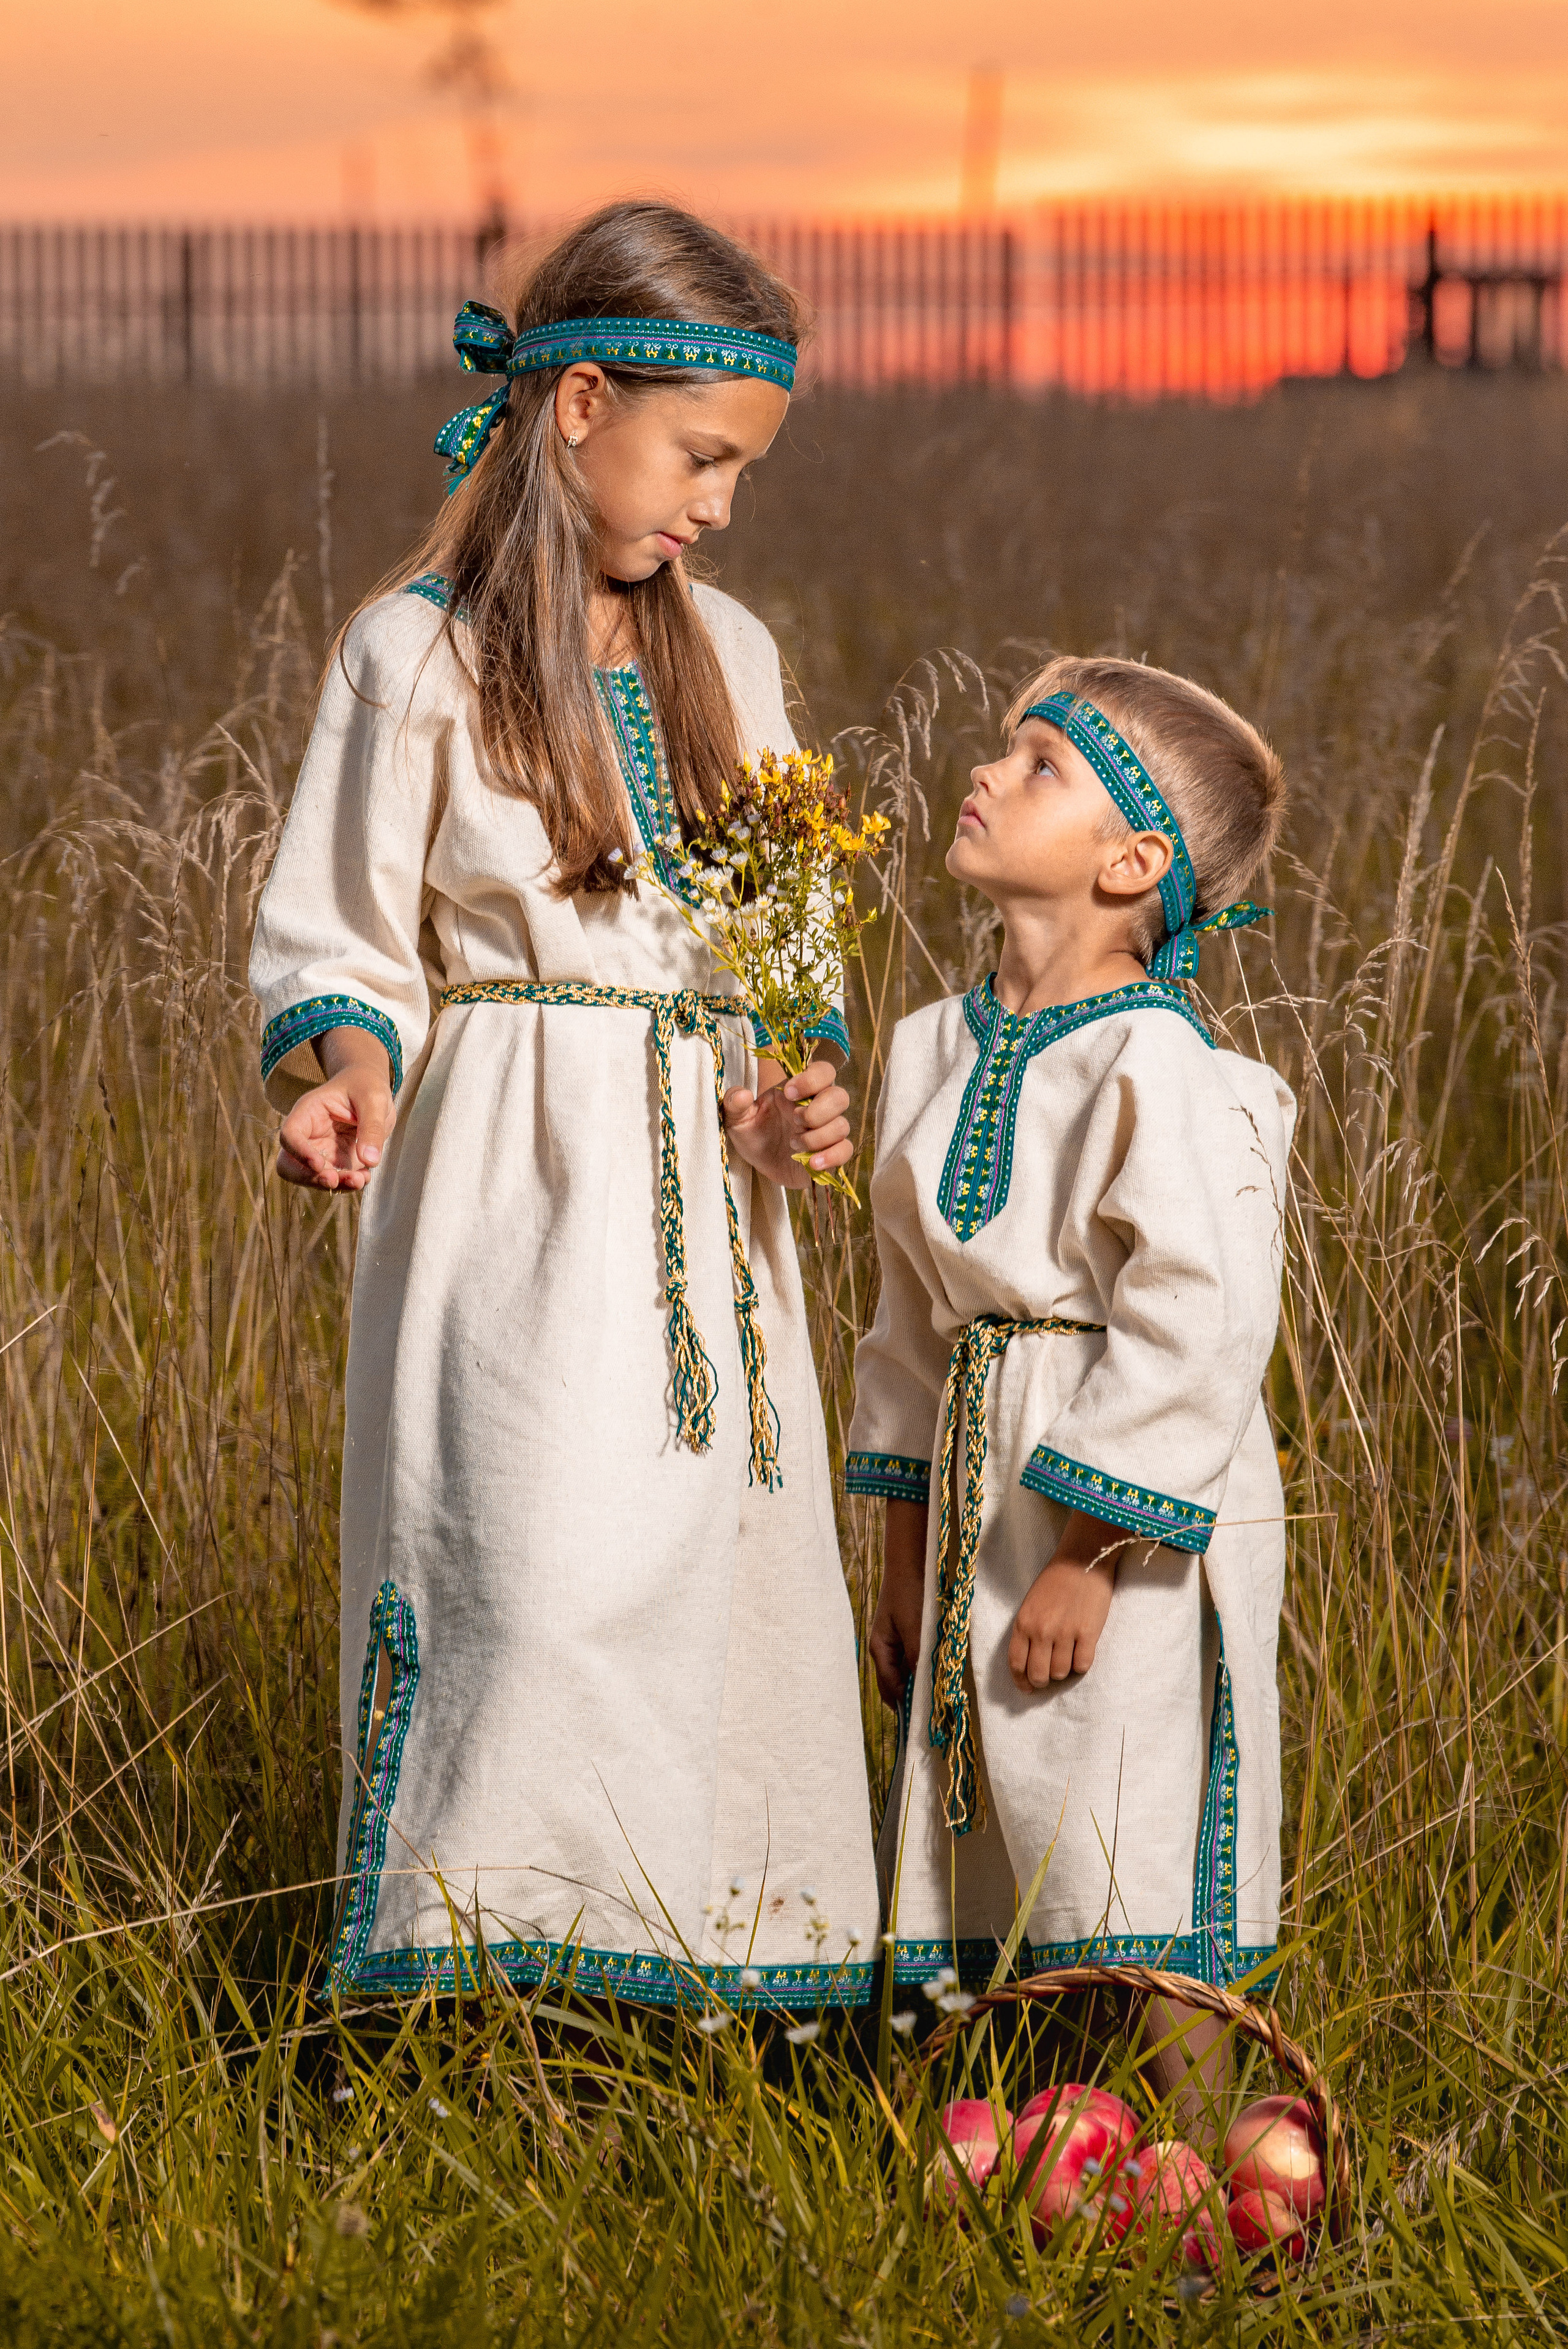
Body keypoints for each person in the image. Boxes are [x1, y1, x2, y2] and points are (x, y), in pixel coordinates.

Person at [251, 200, 878, 2010]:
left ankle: (696, 1994)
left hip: (702, 1196)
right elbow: (344, 928)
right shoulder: (416, 654)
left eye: (744, 468)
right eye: (703, 455)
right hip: (513, 1199)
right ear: (581, 401)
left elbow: (778, 940)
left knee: (701, 1570)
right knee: (524, 1567)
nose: (722, 503)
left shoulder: (734, 657)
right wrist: (343, 1072)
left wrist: (785, 1102)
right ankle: (478, 1989)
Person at [847, 654, 1292, 2120]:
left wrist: (1095, 1558)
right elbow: (909, 1327)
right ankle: (1020, 2138)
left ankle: (1208, 2149)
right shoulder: (926, 1046)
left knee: (1122, 1818)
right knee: (996, 1815)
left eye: (1037, 764)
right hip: (977, 1458)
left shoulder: (1163, 1067)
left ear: (1130, 862)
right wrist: (899, 1552)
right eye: (998, 750)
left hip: (1116, 1505)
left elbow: (1198, 1325)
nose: (983, 773)